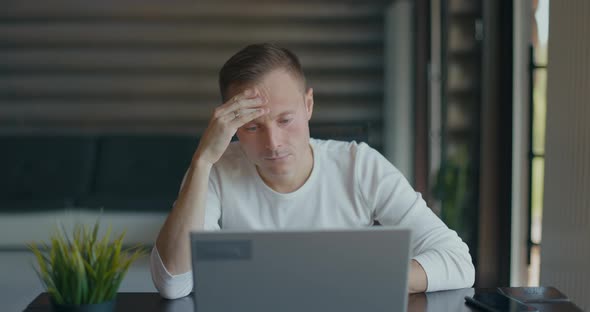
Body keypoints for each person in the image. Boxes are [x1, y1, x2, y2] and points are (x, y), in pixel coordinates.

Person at [150, 43, 475, 299]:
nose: (273, 143)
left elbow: (458, 262)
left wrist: (365, 279)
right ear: (231, 126)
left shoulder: (359, 165)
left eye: (285, 120)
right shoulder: (215, 169)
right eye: (251, 127)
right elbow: (173, 284)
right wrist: (202, 161)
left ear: (308, 105)